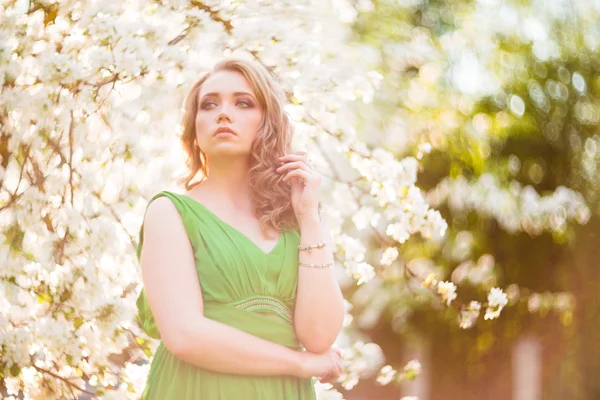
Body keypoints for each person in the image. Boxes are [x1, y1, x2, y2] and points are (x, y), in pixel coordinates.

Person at [135, 57, 346, 399]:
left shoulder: (298, 220)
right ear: (194, 127)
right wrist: (298, 364)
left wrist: (310, 219)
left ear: (268, 122)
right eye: (209, 104)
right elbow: (184, 334)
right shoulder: (169, 211)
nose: (223, 113)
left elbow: (320, 336)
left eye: (243, 103)